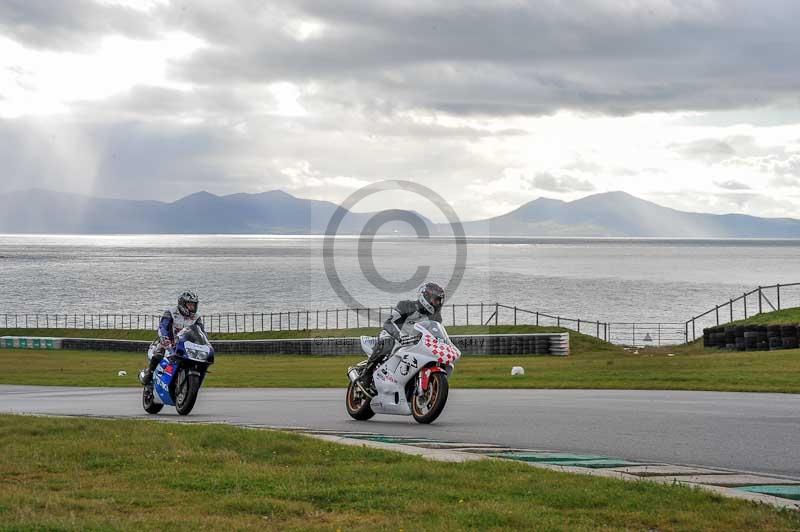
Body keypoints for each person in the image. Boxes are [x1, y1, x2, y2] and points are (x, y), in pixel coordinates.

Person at [355, 282, 445, 396]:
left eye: (439, 301)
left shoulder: (436, 317)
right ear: (425, 296)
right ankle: (366, 377)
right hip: (394, 336)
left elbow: (435, 333)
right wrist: (399, 336)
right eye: (435, 300)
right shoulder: (406, 305)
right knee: (388, 343)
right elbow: (389, 323)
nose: (437, 303)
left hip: (414, 343)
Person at [139, 291, 204, 385]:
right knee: (158, 354)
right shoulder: (171, 312)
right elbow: (163, 326)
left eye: (194, 305)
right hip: (168, 342)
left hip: (186, 346)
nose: (192, 307)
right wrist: (164, 337)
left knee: (198, 361)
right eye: (190, 305)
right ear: (182, 304)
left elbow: (201, 332)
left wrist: (205, 343)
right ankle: (149, 375)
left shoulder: (196, 318)